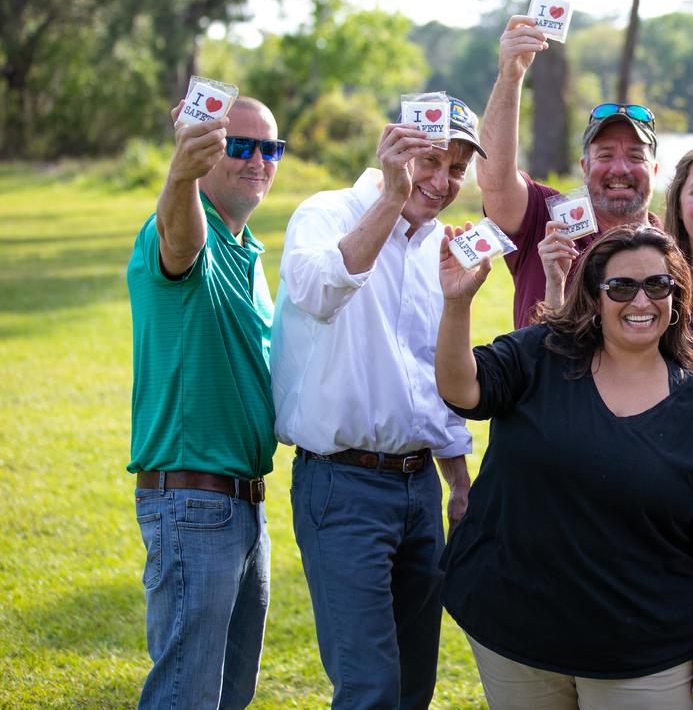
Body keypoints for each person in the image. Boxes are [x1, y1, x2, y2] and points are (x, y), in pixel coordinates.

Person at [435, 224, 693, 709]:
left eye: (658, 285)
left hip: (645, 649)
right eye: (621, 287)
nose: (640, 301)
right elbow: (462, 390)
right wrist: (456, 303)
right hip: (517, 631)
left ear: (676, 297)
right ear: (595, 297)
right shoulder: (538, 355)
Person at [539, 139, 693, 710]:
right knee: (658, 669)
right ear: (677, 202)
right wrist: (554, 281)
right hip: (654, 510)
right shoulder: (646, 281)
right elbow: (571, 354)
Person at [270, 98, 483, 707]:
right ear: (396, 147)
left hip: (420, 489)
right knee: (369, 687)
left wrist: (458, 481)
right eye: (431, 162)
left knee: (415, 684)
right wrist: (391, 199)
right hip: (342, 487)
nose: (442, 183)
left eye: (457, 169)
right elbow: (316, 290)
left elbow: (432, 373)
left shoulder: (438, 243)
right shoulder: (326, 212)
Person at [127, 95, 284, 709]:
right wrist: (181, 175)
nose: (257, 160)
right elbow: (180, 241)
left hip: (244, 505)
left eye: (270, 147)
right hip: (193, 503)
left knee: (230, 694)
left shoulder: (249, 250)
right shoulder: (184, 228)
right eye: (239, 145)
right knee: (186, 696)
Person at [475, 14, 662, 328]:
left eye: (634, 156)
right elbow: (493, 179)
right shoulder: (546, 217)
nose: (619, 168)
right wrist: (510, 77)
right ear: (584, 167)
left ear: (655, 170)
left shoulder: (670, 247)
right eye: (605, 155)